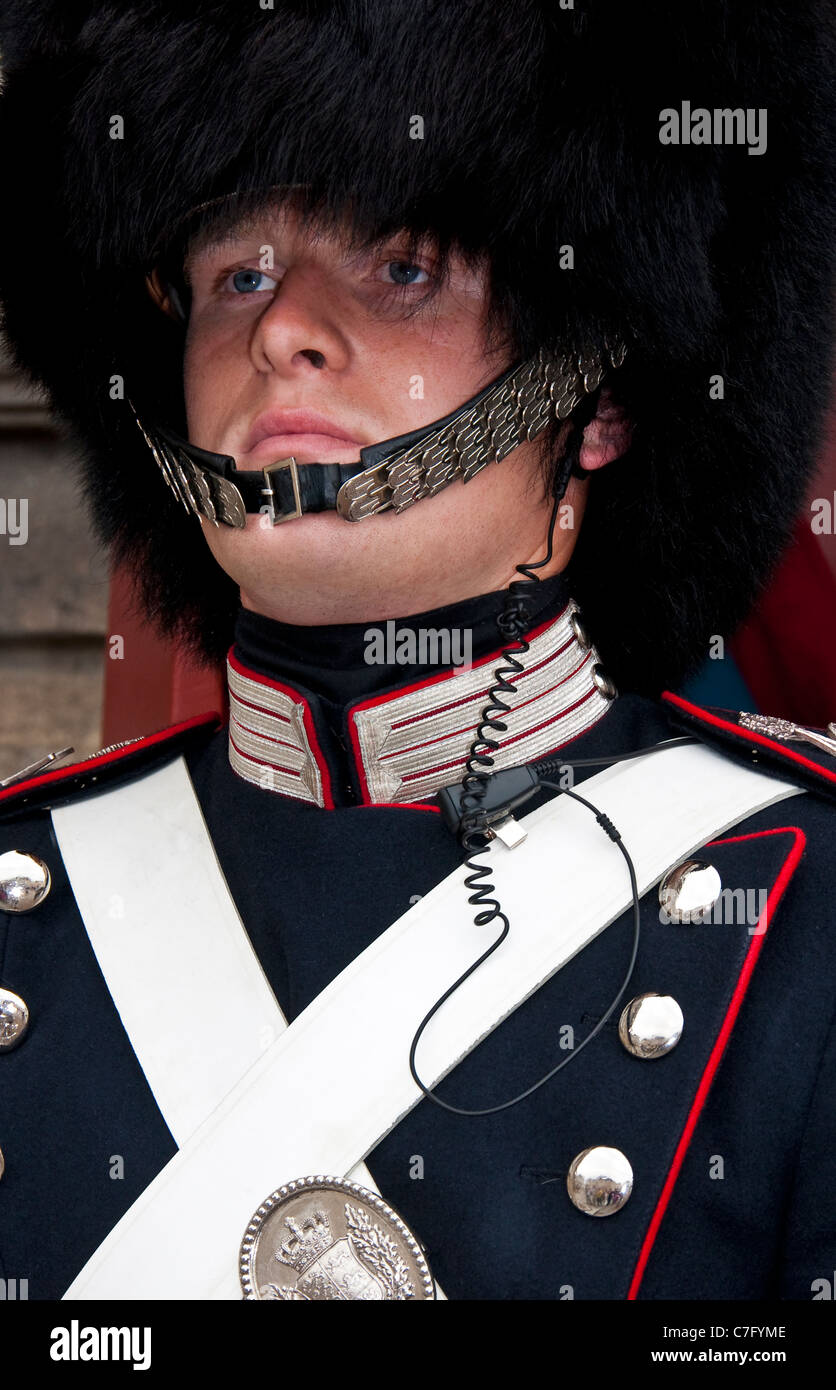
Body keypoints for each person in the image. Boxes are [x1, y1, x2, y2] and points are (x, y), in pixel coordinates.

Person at [0, 0, 835, 1303]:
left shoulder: (802, 896)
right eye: (239, 276)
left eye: (400, 268)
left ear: (596, 404)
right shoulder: (28, 891)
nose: (280, 332)